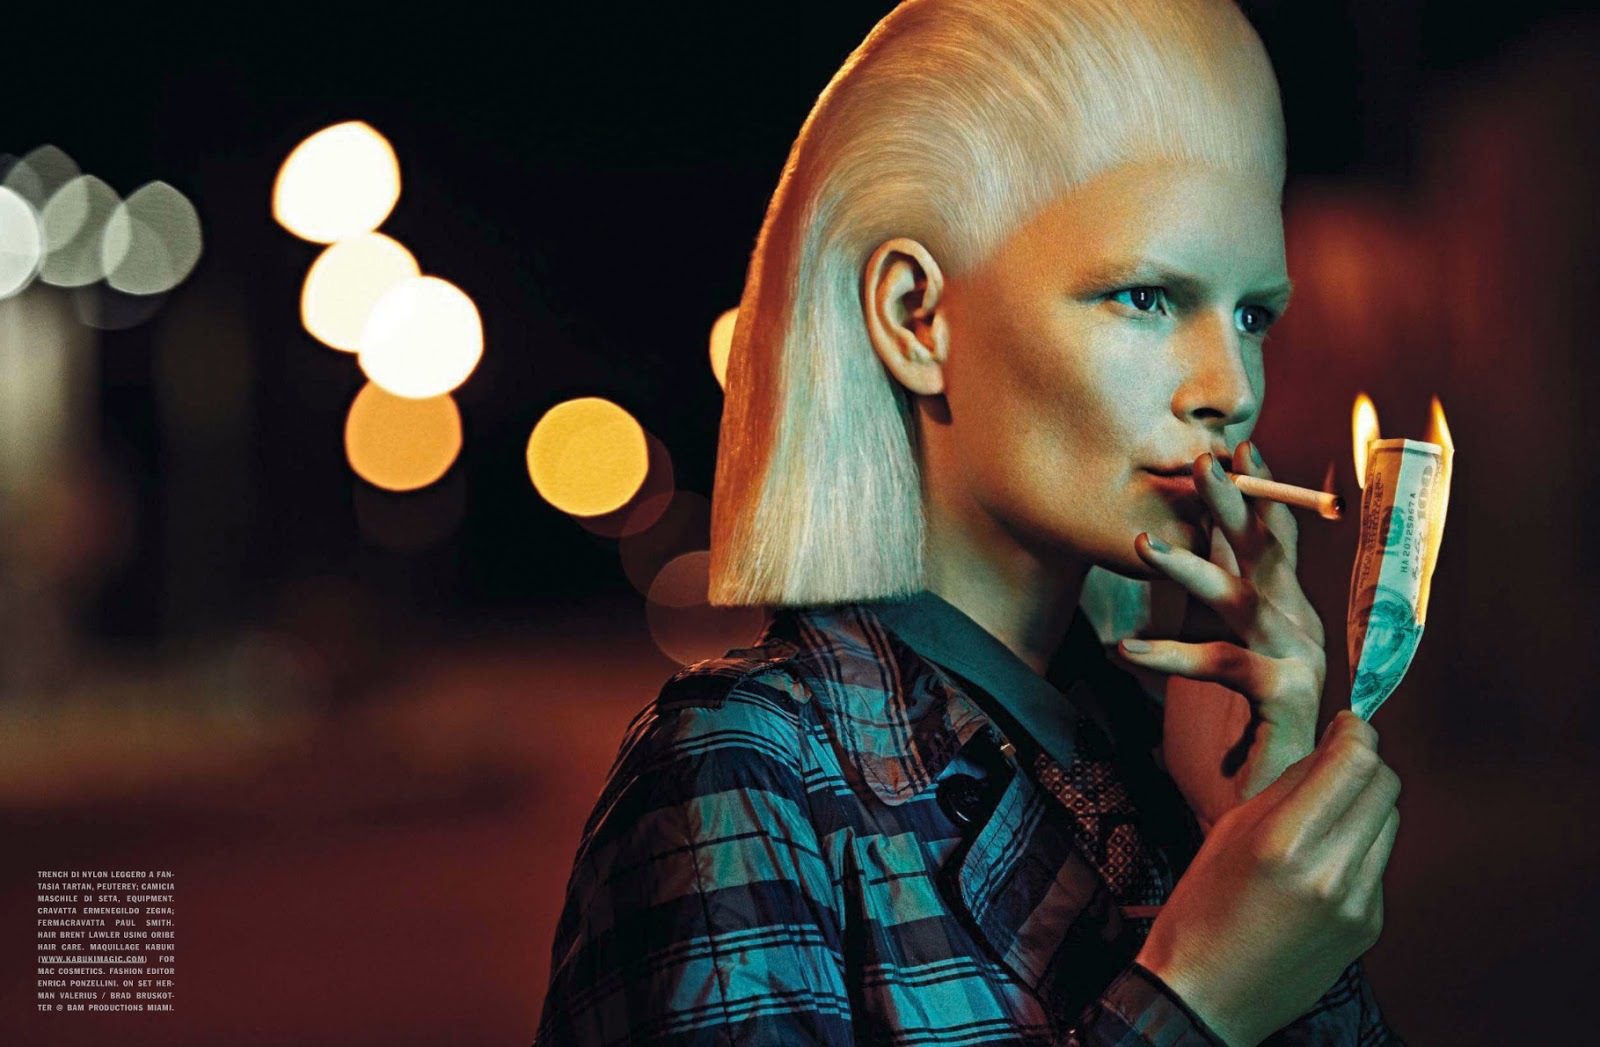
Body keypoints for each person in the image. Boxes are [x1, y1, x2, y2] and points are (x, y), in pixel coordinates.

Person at [534, 0, 1403, 1043]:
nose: (1232, 389)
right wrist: (1199, 1001)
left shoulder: (1149, 750)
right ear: (915, 317)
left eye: (1253, 314)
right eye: (1144, 297)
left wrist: (1247, 838)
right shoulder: (744, 779)